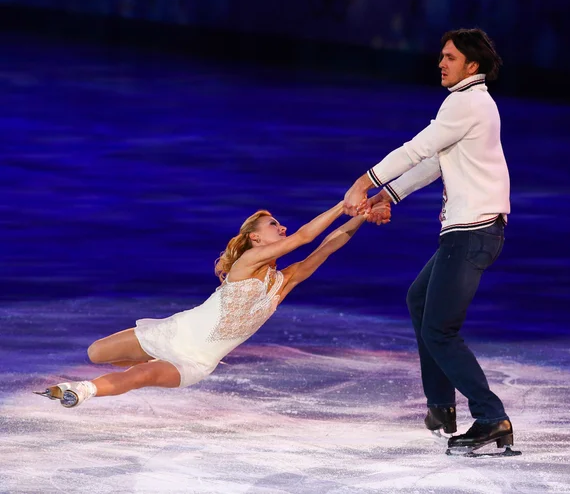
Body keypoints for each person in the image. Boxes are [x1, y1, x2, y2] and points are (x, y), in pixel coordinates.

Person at [35, 201, 390, 408]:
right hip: (173, 332)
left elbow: (326, 245)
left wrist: (363, 214)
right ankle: (128, 361)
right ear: (255, 238)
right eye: (274, 225)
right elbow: (304, 237)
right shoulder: (246, 264)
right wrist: (346, 204)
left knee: (140, 376)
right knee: (97, 352)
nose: (282, 229)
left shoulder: (283, 283)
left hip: (197, 361)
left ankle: (79, 391)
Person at [344, 28, 513, 454]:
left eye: (450, 58)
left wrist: (365, 182)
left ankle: (491, 416)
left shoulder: (466, 101)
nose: (441, 63)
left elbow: (419, 147)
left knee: (440, 329)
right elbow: (437, 160)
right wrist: (388, 194)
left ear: (471, 66)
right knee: (420, 301)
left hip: (472, 230)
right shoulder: (472, 103)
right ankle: (441, 406)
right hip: (472, 228)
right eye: (441, 56)